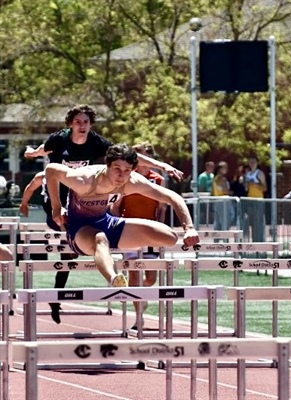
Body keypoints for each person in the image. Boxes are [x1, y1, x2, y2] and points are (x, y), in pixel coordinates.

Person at [23, 104, 184, 324]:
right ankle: (99, 270)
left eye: (86, 122)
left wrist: (161, 165)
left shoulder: (99, 144)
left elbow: (133, 158)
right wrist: (35, 156)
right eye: (78, 122)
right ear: (70, 124)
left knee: (164, 236)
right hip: (63, 194)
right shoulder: (59, 140)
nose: (82, 126)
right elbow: (48, 161)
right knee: (85, 241)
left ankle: (91, 251)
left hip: (97, 207)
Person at [44, 144, 200, 292]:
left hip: (106, 223)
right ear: (107, 165)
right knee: (100, 238)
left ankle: (116, 256)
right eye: (117, 168)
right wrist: (56, 207)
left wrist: (189, 228)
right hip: (80, 231)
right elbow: (51, 170)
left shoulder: (131, 182)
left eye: (127, 170)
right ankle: (115, 279)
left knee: (169, 237)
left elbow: (172, 197)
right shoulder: (84, 180)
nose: (121, 175)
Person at [114, 142, 166, 330]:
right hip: (129, 230)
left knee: (151, 277)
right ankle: (138, 317)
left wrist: (160, 229)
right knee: (134, 274)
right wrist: (116, 227)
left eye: (144, 156)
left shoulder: (158, 179)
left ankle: (138, 295)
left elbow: (161, 207)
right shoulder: (127, 178)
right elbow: (116, 206)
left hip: (150, 231)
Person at [244, 155, 267, 242]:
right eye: (250, 162)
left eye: (254, 162)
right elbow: (246, 188)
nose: (252, 164)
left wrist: (255, 184)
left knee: (258, 223)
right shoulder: (248, 174)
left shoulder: (260, 173)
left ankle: (259, 241)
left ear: (257, 163)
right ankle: (253, 242)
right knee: (251, 222)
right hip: (250, 200)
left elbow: (264, 188)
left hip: (258, 200)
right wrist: (246, 184)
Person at [210, 161, 233, 231]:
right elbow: (226, 191)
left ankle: (216, 240)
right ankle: (225, 239)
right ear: (220, 169)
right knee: (225, 221)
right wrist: (231, 192)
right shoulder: (222, 179)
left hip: (217, 201)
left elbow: (212, 192)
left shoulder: (214, 179)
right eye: (225, 167)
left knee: (217, 222)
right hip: (224, 202)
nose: (226, 169)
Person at [198, 161, 215, 225]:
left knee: (211, 212)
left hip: (211, 197)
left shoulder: (212, 176)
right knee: (203, 212)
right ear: (207, 167)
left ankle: (210, 224)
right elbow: (201, 188)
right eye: (211, 167)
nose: (212, 168)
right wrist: (203, 196)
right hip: (204, 197)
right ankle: (202, 224)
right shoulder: (203, 176)